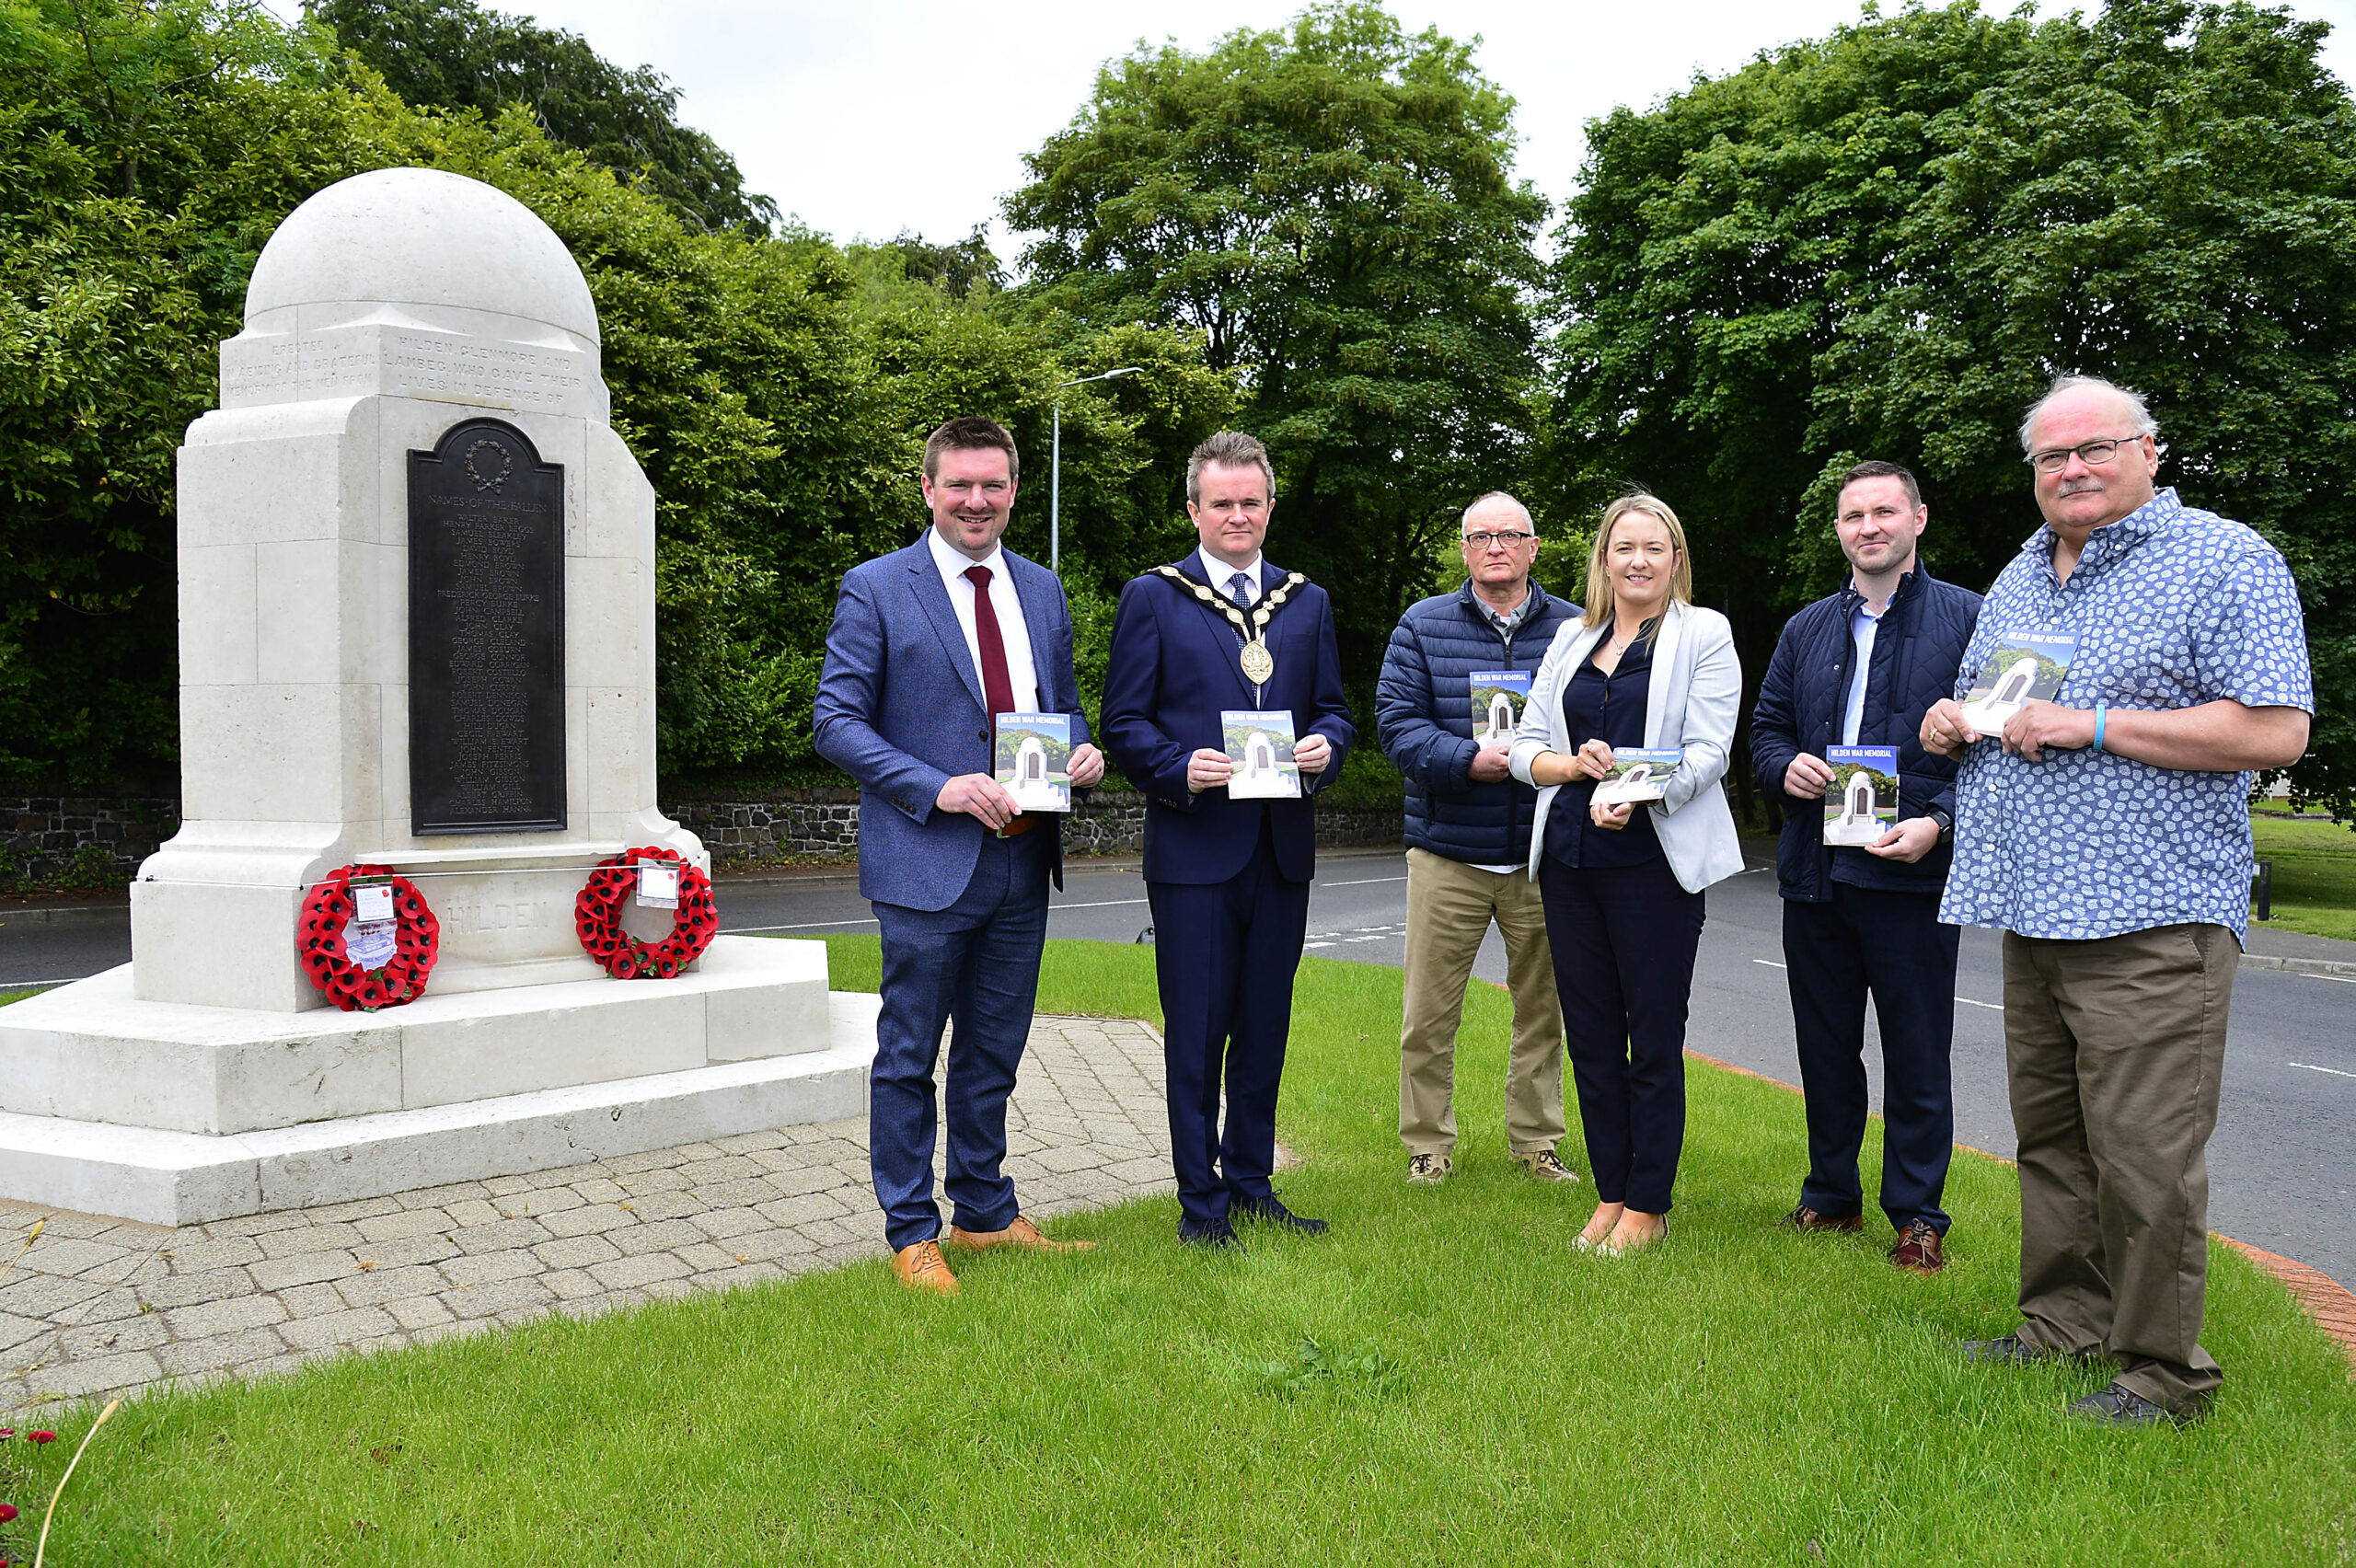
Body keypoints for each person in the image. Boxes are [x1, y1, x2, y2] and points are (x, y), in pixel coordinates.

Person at [1924, 375, 2311, 1425]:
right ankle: (2062, 1323)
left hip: (2150, 912)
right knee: (2052, 1140)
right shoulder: (2019, 573)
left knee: (2144, 1160)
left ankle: (2162, 1374)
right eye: (2051, 458)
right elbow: (1989, 697)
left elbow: (2274, 731)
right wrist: (1948, 723)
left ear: (2150, 450)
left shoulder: (2223, 559)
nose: (2072, 470)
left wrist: (2089, 724)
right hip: (2033, 903)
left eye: (2093, 448)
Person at [813, 415, 1106, 1297]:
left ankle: (983, 1212)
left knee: (994, 1051)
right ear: (930, 489)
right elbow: (835, 722)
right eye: (959, 485)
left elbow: (1060, 707)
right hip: (925, 860)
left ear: (1015, 491)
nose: (976, 501)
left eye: (993, 486)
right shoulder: (876, 587)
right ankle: (912, 1231)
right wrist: (937, 786)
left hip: (1024, 859)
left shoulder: (1041, 588)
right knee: (909, 1056)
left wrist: (1083, 755)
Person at [1101, 431, 1356, 1248]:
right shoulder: (1155, 596)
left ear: (1270, 507)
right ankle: (1199, 1204)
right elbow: (1123, 723)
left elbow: (1336, 713)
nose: (1237, 515)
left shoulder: (1306, 601)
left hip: (1281, 850)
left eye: (1251, 502)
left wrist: (1325, 750)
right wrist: (1180, 769)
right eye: (1222, 503)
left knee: (1265, 1027)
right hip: (1194, 851)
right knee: (1197, 1033)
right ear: (1194, 509)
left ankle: (1251, 1183)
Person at [1750, 461, 1981, 1273]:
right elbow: (1767, 730)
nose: (1869, 526)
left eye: (1886, 511)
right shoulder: (1807, 627)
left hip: (1912, 871)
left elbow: (1995, 754)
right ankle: (1829, 1197)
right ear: (1839, 530)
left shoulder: (1970, 620)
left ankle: (1918, 1217)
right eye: (1854, 515)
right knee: (1825, 1047)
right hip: (1817, 872)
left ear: (1919, 519)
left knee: (1918, 1051)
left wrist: (1940, 822)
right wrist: (1786, 769)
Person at [1509, 493, 1743, 1256]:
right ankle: (1610, 1192)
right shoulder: (1572, 638)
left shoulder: (1704, 633)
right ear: (1603, 560)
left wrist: (1635, 791)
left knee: (1653, 1034)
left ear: (1675, 558)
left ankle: (1649, 1203)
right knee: (1592, 1039)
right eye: (1623, 548)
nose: (1638, 561)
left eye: (1654, 547)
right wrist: (1571, 767)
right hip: (1571, 859)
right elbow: (1528, 745)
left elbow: (1710, 751)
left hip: (1654, 862)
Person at [1376, 492, 1582, 1186]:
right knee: (1428, 1016)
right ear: (1463, 550)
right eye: (1480, 536)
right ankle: (1428, 1145)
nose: (1496, 547)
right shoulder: (1422, 624)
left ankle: (1535, 1143)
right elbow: (1396, 724)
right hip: (1447, 851)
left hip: (1541, 853)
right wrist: (1467, 760)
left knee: (1543, 1012)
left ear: (1534, 546)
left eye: (1510, 535)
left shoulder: (1578, 629)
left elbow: (1588, 724)